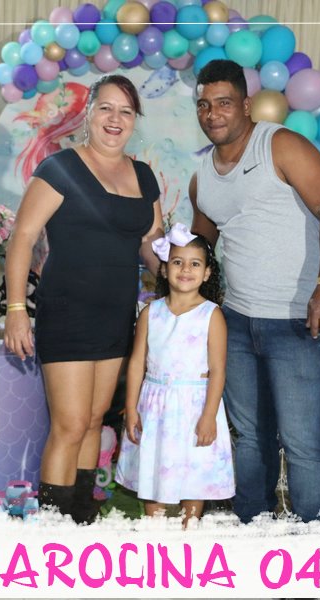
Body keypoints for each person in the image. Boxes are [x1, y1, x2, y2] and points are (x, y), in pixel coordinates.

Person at [189, 60, 320, 523]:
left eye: (223, 102)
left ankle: (310, 542)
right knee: (249, 438)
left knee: (302, 443)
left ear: (246, 105)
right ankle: (253, 529)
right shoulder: (202, 174)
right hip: (237, 323)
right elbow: (200, 246)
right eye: (204, 105)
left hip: (298, 319)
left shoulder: (281, 145)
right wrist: (154, 243)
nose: (213, 113)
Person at [4, 75, 164, 524]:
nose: (115, 119)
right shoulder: (60, 169)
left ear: (135, 120)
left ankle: (80, 518)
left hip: (116, 315)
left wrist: (178, 282)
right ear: (89, 113)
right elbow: (23, 239)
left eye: (126, 111)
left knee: (94, 421)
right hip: (67, 312)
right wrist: (16, 310)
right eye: (106, 108)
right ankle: (52, 528)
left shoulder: (143, 175)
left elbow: (150, 241)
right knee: (70, 424)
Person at [115, 223, 234, 528]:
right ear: (165, 269)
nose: (185, 270)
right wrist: (131, 408)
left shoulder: (212, 315)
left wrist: (209, 415)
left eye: (195, 264)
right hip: (154, 407)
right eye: (178, 262)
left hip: (195, 406)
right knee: (153, 469)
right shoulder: (150, 313)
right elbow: (137, 363)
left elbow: (218, 369)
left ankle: (188, 530)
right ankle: (155, 532)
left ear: (206, 273)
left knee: (194, 471)